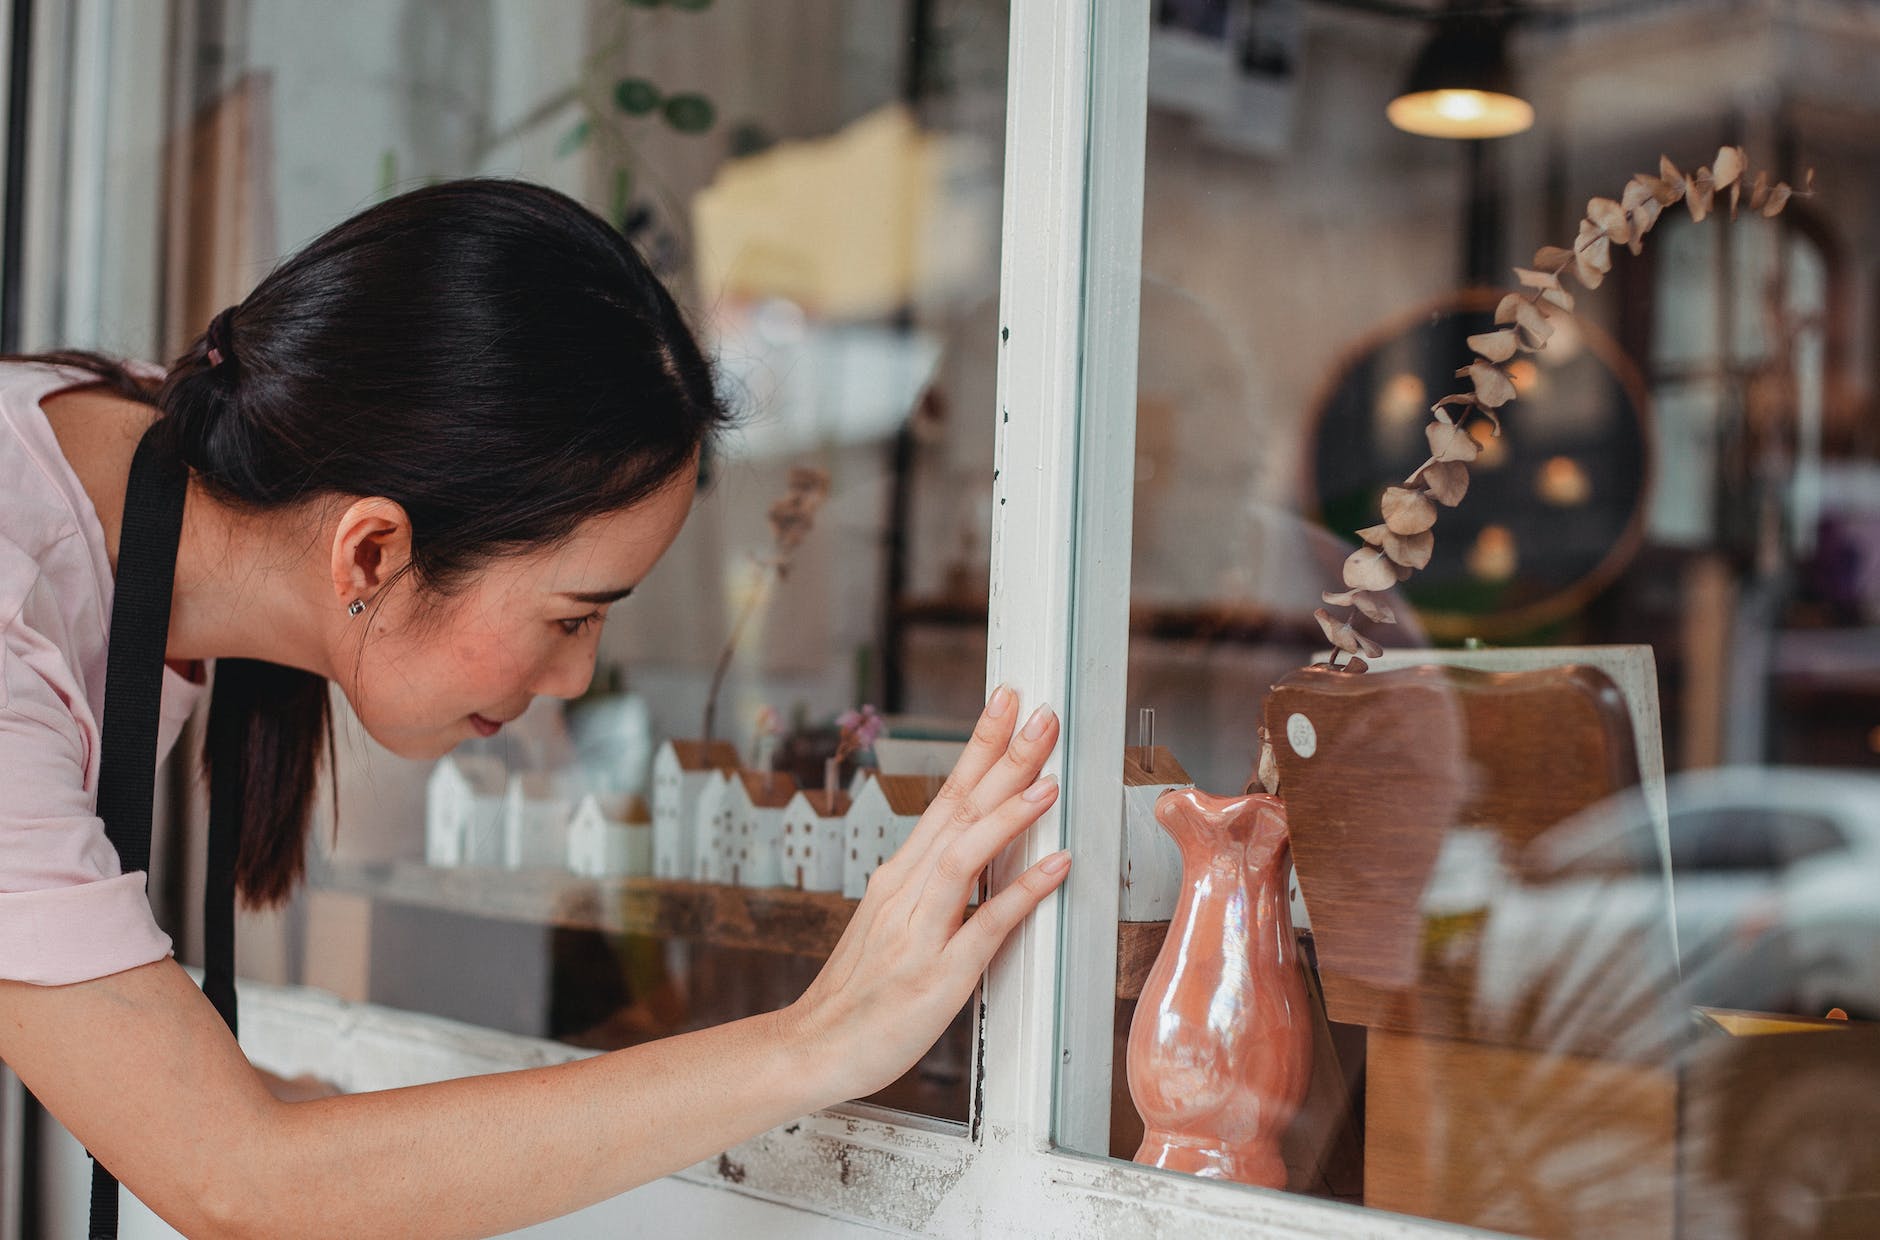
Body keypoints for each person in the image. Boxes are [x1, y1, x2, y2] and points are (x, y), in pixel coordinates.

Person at [0, 179, 1069, 1235]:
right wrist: (819, 1040)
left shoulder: (190, 459)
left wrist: (314, 1119)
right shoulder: (19, 603)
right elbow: (237, 1181)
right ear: (371, 549)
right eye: (570, 617)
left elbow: (208, 1128)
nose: (571, 678)